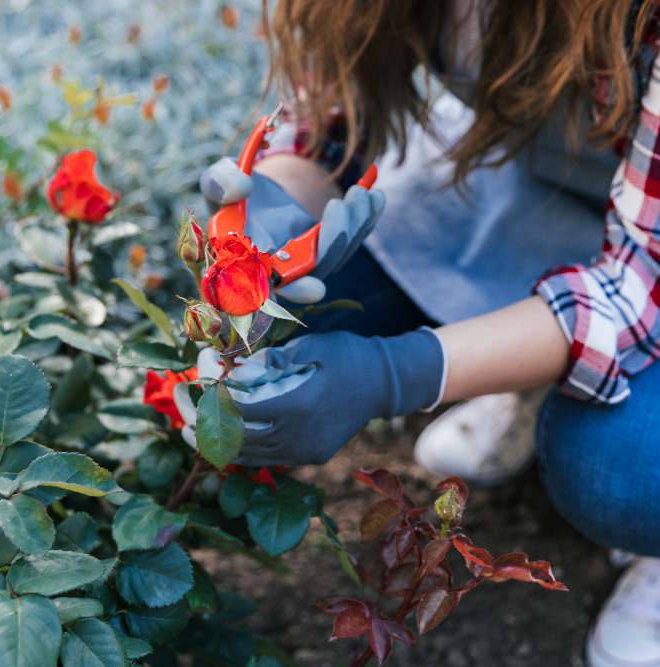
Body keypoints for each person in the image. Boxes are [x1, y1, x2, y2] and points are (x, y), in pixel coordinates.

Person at [194, 1, 660, 664]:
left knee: (618, 467)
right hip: (551, 191)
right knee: (298, 310)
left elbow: (641, 281)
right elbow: (330, 122)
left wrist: (395, 373)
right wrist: (268, 211)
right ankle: (529, 366)